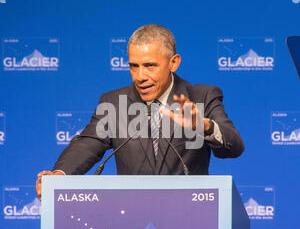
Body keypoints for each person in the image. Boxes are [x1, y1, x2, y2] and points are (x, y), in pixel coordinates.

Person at [36, 24, 244, 199]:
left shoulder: (202, 97)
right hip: (131, 218)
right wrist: (59, 175)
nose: (140, 76)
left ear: (173, 63)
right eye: (134, 66)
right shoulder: (114, 103)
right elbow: (88, 144)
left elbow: (234, 146)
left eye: (150, 66)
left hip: (189, 216)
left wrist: (206, 127)